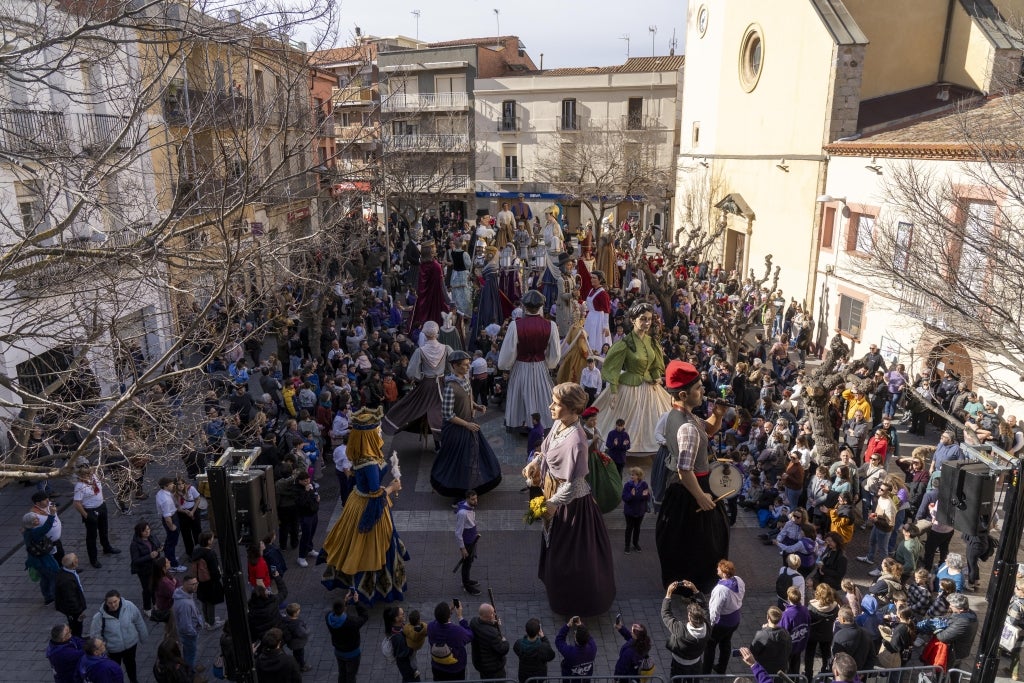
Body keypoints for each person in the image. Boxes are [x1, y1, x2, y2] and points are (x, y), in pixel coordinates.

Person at [523, 382, 616, 616]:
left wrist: (553, 503)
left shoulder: (577, 440)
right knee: (555, 547)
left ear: (572, 409)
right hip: (551, 492)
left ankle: (575, 602)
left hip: (571, 506)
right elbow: (544, 450)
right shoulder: (558, 424)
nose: (550, 406)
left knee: (572, 556)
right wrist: (535, 463)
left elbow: (575, 483)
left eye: (556, 403)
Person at [320, 406, 408, 604]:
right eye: (376, 430)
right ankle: (371, 589)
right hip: (368, 505)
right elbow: (376, 493)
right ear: (368, 435)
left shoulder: (363, 451)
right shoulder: (368, 462)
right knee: (372, 546)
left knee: (353, 542)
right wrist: (392, 488)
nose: (379, 432)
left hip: (356, 500)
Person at [655, 360, 730, 593]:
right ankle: (693, 588)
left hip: (685, 489)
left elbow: (707, 429)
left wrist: (717, 415)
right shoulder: (686, 426)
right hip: (691, 490)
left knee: (685, 541)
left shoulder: (677, 416)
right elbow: (684, 469)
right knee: (700, 543)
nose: (703, 391)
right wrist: (701, 496)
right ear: (684, 394)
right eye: (698, 388)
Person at [591, 303, 673, 454]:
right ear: (633, 320)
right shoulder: (625, 343)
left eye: (649, 319)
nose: (647, 323)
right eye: (643, 319)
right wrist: (613, 391)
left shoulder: (651, 342)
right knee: (626, 420)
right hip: (629, 387)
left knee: (654, 420)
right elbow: (613, 368)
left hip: (650, 388)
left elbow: (655, 364)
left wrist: (656, 377)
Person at [432, 351, 502, 497]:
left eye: (468, 363)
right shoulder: (450, 387)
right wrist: (466, 425)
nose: (468, 367)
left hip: (469, 425)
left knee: (474, 456)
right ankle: (457, 492)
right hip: (456, 431)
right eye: (464, 365)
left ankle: (471, 486)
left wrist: (476, 406)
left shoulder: (465, 379)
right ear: (455, 366)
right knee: (459, 461)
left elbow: (467, 398)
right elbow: (447, 414)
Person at [498, 289, 561, 431]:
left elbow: (509, 351)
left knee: (520, 393)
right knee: (541, 394)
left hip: (521, 365)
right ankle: (540, 424)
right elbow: (555, 353)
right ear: (541, 307)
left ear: (524, 306)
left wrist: (506, 365)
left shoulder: (515, 325)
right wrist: (550, 363)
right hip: (540, 365)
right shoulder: (550, 326)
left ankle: (521, 422)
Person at [383, 320, 452, 445]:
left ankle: (392, 423)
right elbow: (453, 365)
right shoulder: (446, 348)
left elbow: (411, 372)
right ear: (437, 334)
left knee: (413, 405)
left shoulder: (420, 351)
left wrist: (419, 377)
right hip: (442, 383)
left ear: (425, 334)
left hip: (426, 384)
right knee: (446, 409)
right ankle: (446, 437)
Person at [89, 590, 148, 683]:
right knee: (114, 670)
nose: (113, 605)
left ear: (119, 599)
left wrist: (143, 636)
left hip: (130, 645)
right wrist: (102, 649)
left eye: (115, 601)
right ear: (106, 602)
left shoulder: (129, 606)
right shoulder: (99, 617)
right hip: (113, 650)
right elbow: (96, 635)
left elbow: (138, 621)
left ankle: (134, 680)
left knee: (131, 665)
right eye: (110, 603)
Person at [72, 461, 120, 569]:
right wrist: (86, 516)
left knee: (104, 530)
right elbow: (77, 503)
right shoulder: (80, 486)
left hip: (101, 507)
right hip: (90, 511)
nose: (88, 475)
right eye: (85, 474)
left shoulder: (94, 477)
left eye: (89, 473)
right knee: (92, 536)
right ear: (80, 475)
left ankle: (106, 547)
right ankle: (93, 559)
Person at [703, 559, 745, 674]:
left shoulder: (721, 590)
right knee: (726, 643)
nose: (717, 569)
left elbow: (714, 610)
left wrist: (710, 626)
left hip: (722, 623)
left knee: (710, 646)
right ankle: (722, 668)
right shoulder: (739, 580)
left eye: (719, 569)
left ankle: (706, 671)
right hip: (735, 620)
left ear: (724, 573)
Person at [662, 579, 710, 676]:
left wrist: (668, 594)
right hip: (695, 663)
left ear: (689, 617)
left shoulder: (680, 630)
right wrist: (695, 590)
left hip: (679, 663)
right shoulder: (707, 626)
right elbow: (704, 607)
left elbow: (666, 614)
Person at [325, 592, 369, 683]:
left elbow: (340, 613)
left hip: (338, 651)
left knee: (342, 673)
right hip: (352, 653)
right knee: (351, 675)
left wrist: (344, 601)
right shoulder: (351, 622)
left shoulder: (328, 617)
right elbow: (364, 616)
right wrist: (357, 602)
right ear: (344, 608)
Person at [427, 600, 473, 682]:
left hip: (437, 666)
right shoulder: (457, 631)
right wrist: (460, 617)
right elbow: (470, 635)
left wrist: (449, 611)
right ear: (449, 616)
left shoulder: (430, 627)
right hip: (455, 669)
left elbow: (437, 620)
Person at [410, 240, 450, 330]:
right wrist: (448, 301)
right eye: (434, 247)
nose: (436, 248)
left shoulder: (422, 265)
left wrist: (416, 293)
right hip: (435, 300)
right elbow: (442, 285)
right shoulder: (436, 266)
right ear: (430, 250)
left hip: (423, 300)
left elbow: (418, 282)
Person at [23, 511, 59, 605]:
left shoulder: (26, 532)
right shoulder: (35, 532)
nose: (38, 519)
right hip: (44, 560)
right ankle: (56, 598)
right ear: (31, 523)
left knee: (44, 578)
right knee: (53, 577)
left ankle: (48, 597)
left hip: (35, 561)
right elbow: (46, 527)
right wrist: (51, 515)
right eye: (35, 519)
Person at [190, 531, 224, 629]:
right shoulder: (210, 553)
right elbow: (214, 570)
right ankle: (212, 623)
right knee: (210, 602)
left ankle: (207, 620)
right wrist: (218, 577)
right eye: (212, 538)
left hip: (200, 581)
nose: (213, 539)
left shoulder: (196, 551)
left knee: (204, 601)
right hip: (210, 582)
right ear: (208, 541)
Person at [936, 593, 979, 669]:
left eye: (952, 606)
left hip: (955, 652)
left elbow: (943, 637)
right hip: (960, 650)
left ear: (961, 609)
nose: (950, 606)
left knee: (947, 670)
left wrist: (936, 627)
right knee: (955, 668)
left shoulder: (963, 622)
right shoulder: (969, 613)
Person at [805, 583, 839, 679]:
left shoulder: (812, 607)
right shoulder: (835, 607)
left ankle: (808, 675)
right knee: (826, 655)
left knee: (809, 654)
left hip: (812, 635)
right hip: (827, 635)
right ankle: (825, 674)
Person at [128, 521, 161, 617]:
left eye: (148, 529)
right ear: (139, 532)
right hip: (144, 570)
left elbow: (157, 548)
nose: (148, 532)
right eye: (145, 530)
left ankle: (156, 603)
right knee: (147, 589)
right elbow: (135, 560)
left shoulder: (152, 538)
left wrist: (158, 552)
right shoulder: (135, 544)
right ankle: (147, 608)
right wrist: (149, 556)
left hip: (154, 567)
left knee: (155, 586)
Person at [172, 574, 204, 671]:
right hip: (189, 634)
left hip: (188, 633)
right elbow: (185, 626)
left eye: (196, 583)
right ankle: (190, 672)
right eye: (192, 584)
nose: (196, 586)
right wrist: (194, 633)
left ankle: (189, 667)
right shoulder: (184, 604)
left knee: (188, 652)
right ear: (185, 585)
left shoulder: (185, 594)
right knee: (191, 654)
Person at [469, 603, 509, 679]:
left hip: (479, 663)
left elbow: (484, 630)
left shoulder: (473, 622)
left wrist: (492, 624)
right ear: (490, 616)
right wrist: (504, 641)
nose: (494, 614)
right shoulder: (493, 634)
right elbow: (502, 649)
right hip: (493, 668)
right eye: (493, 613)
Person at [749, 605, 791, 676]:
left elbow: (753, 651)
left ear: (768, 617)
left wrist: (764, 630)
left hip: (765, 671)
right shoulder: (786, 633)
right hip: (781, 671)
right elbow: (789, 649)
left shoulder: (762, 634)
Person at [454, 490, 482, 596]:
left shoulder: (469, 508)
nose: (475, 501)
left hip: (472, 539)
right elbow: (458, 532)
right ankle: (466, 585)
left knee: (469, 562)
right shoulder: (462, 513)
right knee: (466, 564)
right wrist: (462, 548)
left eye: (476, 498)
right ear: (467, 499)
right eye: (473, 499)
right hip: (467, 543)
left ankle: (467, 580)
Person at [155, 477, 185, 572]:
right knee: (172, 542)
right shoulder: (165, 500)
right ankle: (173, 564)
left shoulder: (161, 493)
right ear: (165, 486)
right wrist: (172, 527)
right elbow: (167, 517)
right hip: (171, 519)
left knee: (169, 541)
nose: (173, 485)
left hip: (171, 516)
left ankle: (169, 557)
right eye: (171, 484)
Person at [383, 606, 421, 682]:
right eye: (402, 614)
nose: (404, 615)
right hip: (407, 666)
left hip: (405, 663)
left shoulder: (398, 627)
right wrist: (415, 643)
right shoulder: (398, 638)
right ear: (396, 619)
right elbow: (405, 654)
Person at [513, 618, 555, 683]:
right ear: (538, 632)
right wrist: (544, 638)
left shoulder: (519, 643)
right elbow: (551, 655)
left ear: (526, 630)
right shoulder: (542, 647)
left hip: (524, 676)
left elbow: (515, 649)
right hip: (538, 678)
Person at [780, 585, 810, 674]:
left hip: (789, 647)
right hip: (800, 644)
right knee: (796, 665)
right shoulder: (805, 610)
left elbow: (782, 631)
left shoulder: (787, 614)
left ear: (788, 598)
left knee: (787, 668)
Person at [555, 616, 597, 681]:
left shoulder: (570, 653)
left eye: (575, 633)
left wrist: (568, 625)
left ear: (575, 638)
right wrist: (581, 625)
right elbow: (588, 636)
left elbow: (559, 640)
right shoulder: (593, 648)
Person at [612, 615, 651, 683]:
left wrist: (616, 678)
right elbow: (630, 637)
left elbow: (621, 667)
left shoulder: (629, 652)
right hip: (634, 676)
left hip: (625, 679)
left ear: (636, 636)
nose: (630, 631)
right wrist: (621, 628)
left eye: (632, 631)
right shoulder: (644, 642)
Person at [55, 553, 87, 637]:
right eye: (76, 559)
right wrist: (79, 611)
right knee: (76, 626)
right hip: (74, 611)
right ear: (73, 564)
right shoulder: (67, 581)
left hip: (72, 607)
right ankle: (77, 639)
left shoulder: (66, 571)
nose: (78, 560)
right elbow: (71, 598)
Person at [831, 606, 872, 670]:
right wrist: (863, 673)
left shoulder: (839, 636)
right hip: (861, 674)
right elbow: (872, 656)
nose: (837, 618)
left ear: (842, 619)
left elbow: (836, 659)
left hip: (845, 675)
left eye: (838, 617)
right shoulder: (866, 633)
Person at [621, 466, 650, 554]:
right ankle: (627, 545)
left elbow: (647, 497)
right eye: (631, 475)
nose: (631, 476)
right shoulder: (627, 485)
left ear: (639, 476)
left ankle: (635, 543)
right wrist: (631, 495)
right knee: (629, 528)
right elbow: (624, 498)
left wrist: (645, 495)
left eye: (633, 475)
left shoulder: (644, 484)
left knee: (637, 528)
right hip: (629, 511)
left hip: (640, 511)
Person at [583, 270, 612, 353]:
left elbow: (607, 311)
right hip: (590, 317)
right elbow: (588, 305)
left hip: (598, 319)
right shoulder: (591, 290)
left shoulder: (603, 294)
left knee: (597, 339)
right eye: (591, 277)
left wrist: (605, 326)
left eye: (594, 278)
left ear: (600, 280)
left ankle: (597, 355)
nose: (592, 279)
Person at [280, 603, 311, 673]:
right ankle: (302, 666)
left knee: (296, 653)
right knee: (300, 653)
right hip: (298, 643)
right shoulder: (297, 624)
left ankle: (296, 663)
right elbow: (303, 633)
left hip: (292, 643)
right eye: (298, 610)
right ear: (295, 613)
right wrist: (308, 630)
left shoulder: (286, 620)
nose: (299, 611)